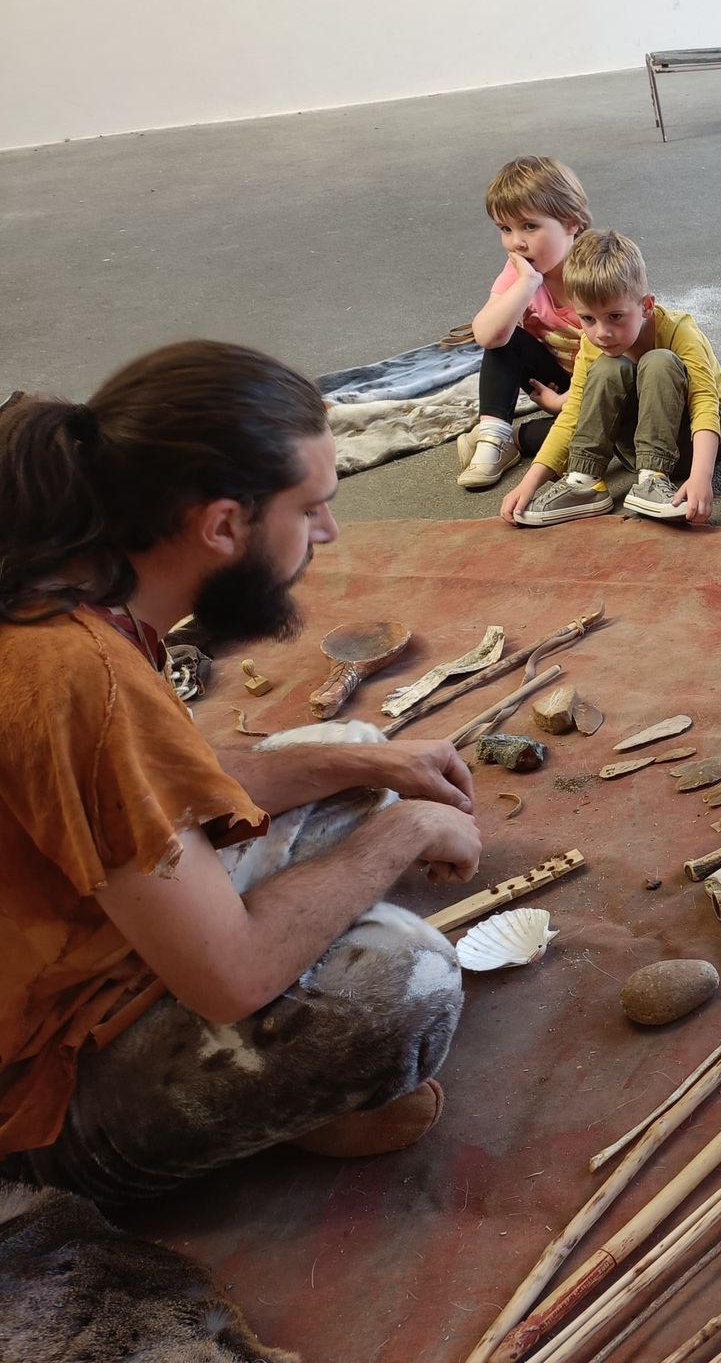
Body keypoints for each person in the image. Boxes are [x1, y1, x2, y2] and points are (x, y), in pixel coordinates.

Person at [0, 343, 482, 1206]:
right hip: (37, 1093)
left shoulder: (70, 581)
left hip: (74, 932)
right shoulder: (77, 674)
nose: (328, 533)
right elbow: (232, 978)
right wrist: (403, 832)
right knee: (405, 980)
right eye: (312, 508)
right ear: (222, 526)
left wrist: (371, 761)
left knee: (354, 751)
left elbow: (157, 776)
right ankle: (252, 1115)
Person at [500, 230, 721, 527]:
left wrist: (701, 476)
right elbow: (574, 413)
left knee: (658, 361)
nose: (602, 333)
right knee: (607, 367)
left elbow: (704, 403)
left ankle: (653, 479)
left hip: (693, 442)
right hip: (633, 447)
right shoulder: (593, 345)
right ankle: (584, 482)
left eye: (615, 316)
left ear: (646, 306)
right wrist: (529, 484)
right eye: (588, 319)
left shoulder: (680, 329)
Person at [457, 155, 592, 490]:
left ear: (571, 223)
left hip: (605, 385)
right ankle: (493, 434)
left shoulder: (597, 270)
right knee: (504, 338)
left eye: (529, 226)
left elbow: (622, 350)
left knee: (604, 436)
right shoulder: (522, 273)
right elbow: (486, 335)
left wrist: (564, 403)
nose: (516, 242)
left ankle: (516, 438)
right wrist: (527, 284)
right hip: (558, 379)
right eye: (505, 229)